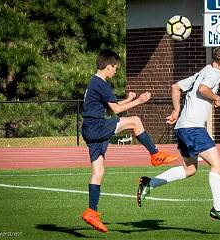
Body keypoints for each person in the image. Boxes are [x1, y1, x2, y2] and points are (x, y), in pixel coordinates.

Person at [137, 47, 220, 224]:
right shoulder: (213, 73)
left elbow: (175, 87)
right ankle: (218, 208)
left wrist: (176, 110)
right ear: (217, 64)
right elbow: (203, 89)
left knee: (190, 169)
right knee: (217, 164)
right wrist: (216, 98)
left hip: (183, 127)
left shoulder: (203, 71)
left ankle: (148, 183)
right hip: (193, 128)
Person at [81, 49, 178, 233]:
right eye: (115, 68)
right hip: (96, 126)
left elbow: (112, 108)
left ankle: (91, 211)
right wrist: (139, 101)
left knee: (98, 171)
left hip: (89, 128)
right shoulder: (102, 83)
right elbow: (116, 111)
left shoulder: (95, 82)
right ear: (108, 67)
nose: (116, 71)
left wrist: (127, 99)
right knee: (135, 121)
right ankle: (155, 154)